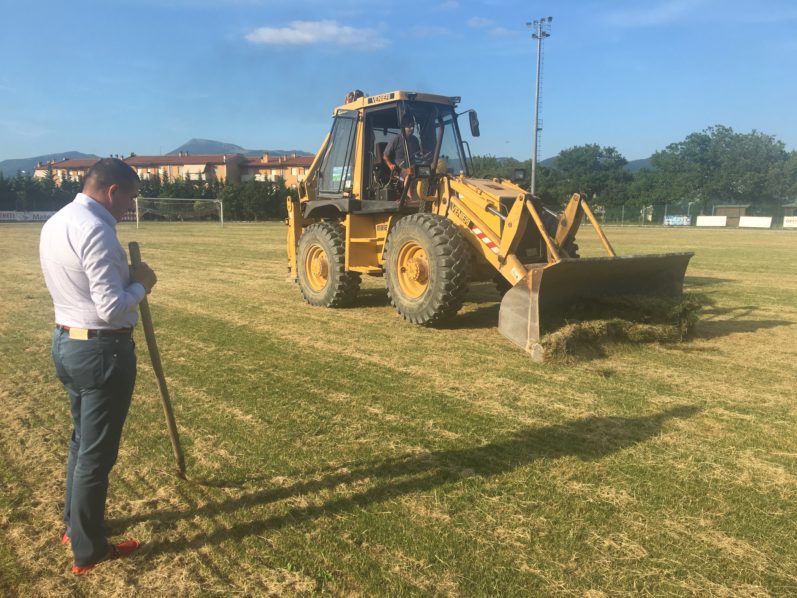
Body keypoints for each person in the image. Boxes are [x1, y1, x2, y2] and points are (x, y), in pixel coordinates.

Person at [40, 158, 157, 575]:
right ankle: (88, 549)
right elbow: (110, 308)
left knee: (80, 443)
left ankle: (76, 526)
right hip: (101, 350)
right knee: (95, 454)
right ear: (113, 192)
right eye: (131, 198)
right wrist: (142, 283)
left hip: (67, 342)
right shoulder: (97, 230)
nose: (130, 207)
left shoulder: (57, 221)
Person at [383, 113, 421, 192]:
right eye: (409, 126)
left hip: (413, 167)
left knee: (426, 175)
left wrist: (423, 154)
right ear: (403, 127)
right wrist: (390, 165)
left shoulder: (415, 140)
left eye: (412, 126)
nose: (411, 128)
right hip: (399, 170)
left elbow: (419, 154)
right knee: (409, 175)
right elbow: (385, 156)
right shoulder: (396, 139)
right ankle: (410, 198)